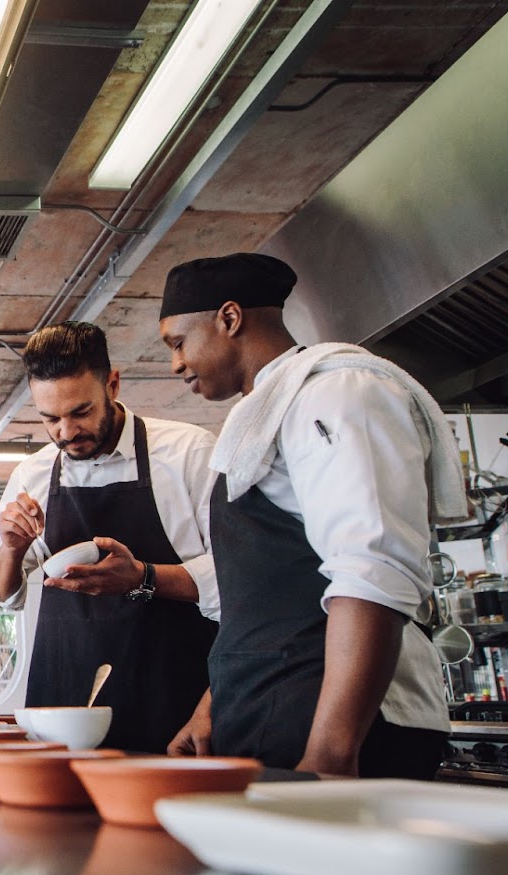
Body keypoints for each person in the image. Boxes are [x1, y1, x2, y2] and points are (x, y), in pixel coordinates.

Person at [158, 252, 466, 778]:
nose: (175, 364)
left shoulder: (339, 392)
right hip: (273, 714)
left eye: (178, 342)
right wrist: (216, 707)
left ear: (229, 319)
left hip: (343, 727)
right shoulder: (263, 418)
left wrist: (331, 750)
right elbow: (265, 591)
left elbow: (371, 567)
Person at [0, 321, 220, 753]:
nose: (65, 433)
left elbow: (240, 579)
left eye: (80, 412)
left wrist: (143, 577)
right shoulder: (32, 473)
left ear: (113, 384)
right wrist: (12, 549)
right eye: (50, 418)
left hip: (172, 704)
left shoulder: (188, 454)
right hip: (63, 708)